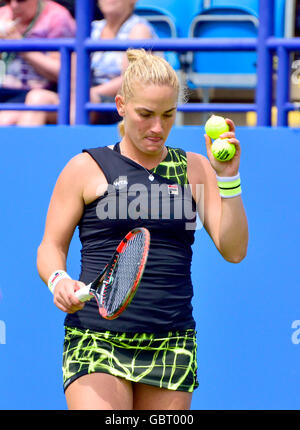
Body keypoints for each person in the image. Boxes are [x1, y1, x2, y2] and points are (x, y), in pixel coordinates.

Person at [37, 49, 248, 410]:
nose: (157, 127)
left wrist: (227, 179)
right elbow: (50, 246)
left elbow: (234, 250)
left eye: (168, 115)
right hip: (96, 337)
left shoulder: (194, 168)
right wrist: (58, 279)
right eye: (145, 114)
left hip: (171, 339)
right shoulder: (86, 167)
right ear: (121, 105)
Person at [17, 0, 156, 126]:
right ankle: (23, 153)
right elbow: (74, 71)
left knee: (83, 101)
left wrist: (89, 92)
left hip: (118, 101)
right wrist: (78, 92)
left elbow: (131, 80)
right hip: (81, 95)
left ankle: (70, 149)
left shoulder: (138, 29)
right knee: (37, 97)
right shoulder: (91, 28)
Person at [0, 0, 75, 125]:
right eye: (8, 0)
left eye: (20, 0)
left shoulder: (56, 17)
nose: (13, 5)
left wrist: (21, 46)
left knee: (5, 121)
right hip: (4, 90)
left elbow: (63, 72)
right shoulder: (3, 14)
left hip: (37, 92)